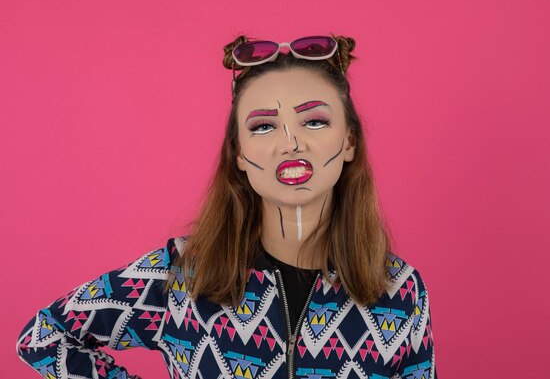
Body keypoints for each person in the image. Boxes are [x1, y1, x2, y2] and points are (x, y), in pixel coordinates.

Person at [16, 35, 437, 379]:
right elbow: (45, 337)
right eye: (263, 126)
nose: (290, 142)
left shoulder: (399, 290)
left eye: (314, 121)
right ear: (238, 153)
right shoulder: (181, 274)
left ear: (349, 142)